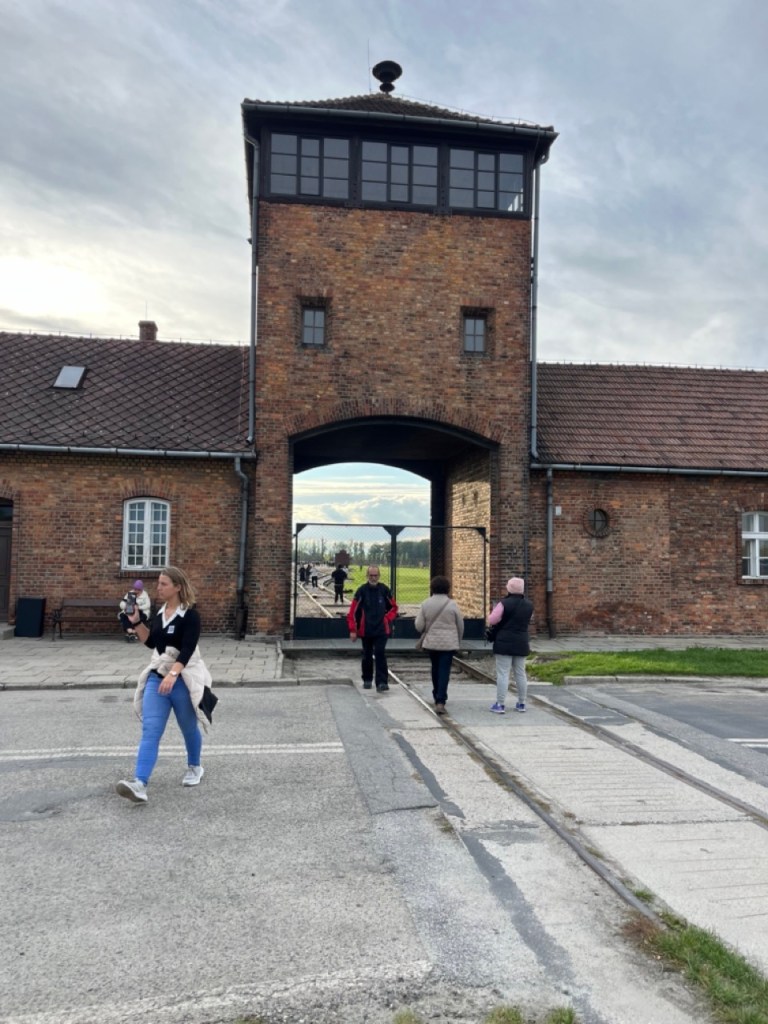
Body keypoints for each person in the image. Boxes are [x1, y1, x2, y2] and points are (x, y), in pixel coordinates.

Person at [116, 566, 217, 804]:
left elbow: (187, 649)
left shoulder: (190, 615)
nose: (158, 588)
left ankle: (195, 766)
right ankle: (140, 783)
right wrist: (137, 622)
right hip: (157, 677)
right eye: (159, 583)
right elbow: (152, 643)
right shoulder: (161, 613)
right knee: (151, 730)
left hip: (181, 678)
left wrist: (173, 674)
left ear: (177, 587)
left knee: (188, 727)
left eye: (163, 584)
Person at [414, 576, 464, 715]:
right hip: (449, 643)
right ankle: (441, 700)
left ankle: (436, 694)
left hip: (432, 642)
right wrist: (458, 641)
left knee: (435, 668)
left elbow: (419, 625)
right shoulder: (452, 605)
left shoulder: (426, 604)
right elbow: (460, 625)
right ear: (447, 588)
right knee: (444, 670)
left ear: (432, 588)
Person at [347, 565, 398, 692]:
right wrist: (353, 630)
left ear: (379, 576)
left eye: (375, 575)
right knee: (367, 655)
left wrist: (387, 619)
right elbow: (352, 612)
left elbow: (394, 608)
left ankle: (382, 682)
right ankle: (367, 679)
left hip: (381, 629)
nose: (373, 578)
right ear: (367, 576)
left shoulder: (384, 590)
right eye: (371, 575)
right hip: (366, 629)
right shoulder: (361, 591)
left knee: (380, 653)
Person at [487, 577, 534, 714]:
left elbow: (492, 620)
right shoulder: (529, 605)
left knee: (503, 673)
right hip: (521, 641)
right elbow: (528, 620)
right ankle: (521, 703)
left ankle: (500, 704)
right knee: (520, 673)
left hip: (504, 642)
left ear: (509, 588)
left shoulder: (503, 604)